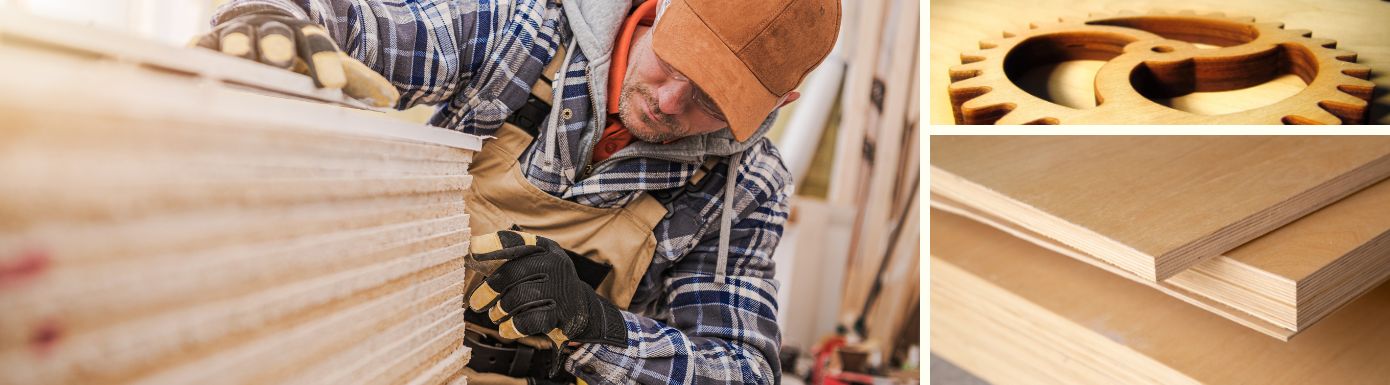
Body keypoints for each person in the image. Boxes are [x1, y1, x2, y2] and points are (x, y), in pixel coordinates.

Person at [195, 0, 840, 383]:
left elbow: (742, 371)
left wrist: (601, 328)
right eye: (674, 60)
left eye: (712, 98)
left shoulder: (743, 186)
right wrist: (276, 19)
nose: (670, 101)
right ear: (659, 7)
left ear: (781, 102)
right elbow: (352, 23)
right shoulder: (522, 31)